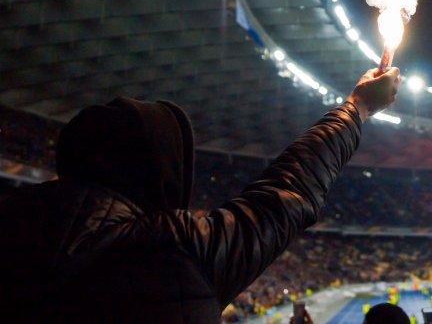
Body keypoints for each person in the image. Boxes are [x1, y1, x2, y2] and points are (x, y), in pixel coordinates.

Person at [0, 67, 401, 323]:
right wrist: (357, 107)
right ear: (161, 171)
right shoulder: (170, 247)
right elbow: (287, 191)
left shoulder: (12, 229)